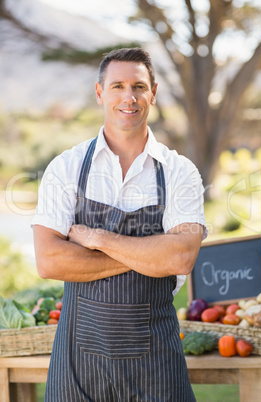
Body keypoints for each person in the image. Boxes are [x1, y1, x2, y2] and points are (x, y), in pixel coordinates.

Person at [32, 47, 207, 402]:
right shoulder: (65, 168)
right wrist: (148, 256)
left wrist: (95, 238)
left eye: (139, 87)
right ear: (100, 93)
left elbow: (179, 259)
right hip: (77, 365)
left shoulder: (179, 172)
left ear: (153, 93)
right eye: (118, 86)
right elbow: (49, 260)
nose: (129, 97)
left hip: (156, 363)